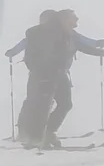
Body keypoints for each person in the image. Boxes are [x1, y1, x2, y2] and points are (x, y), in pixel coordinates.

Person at [10, 9, 100, 147]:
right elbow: (31, 47)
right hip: (44, 74)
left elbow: (84, 46)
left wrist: (101, 51)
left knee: (65, 104)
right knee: (40, 105)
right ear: (64, 18)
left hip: (60, 74)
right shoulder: (46, 33)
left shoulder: (69, 34)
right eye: (74, 18)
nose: (77, 21)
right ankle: (34, 137)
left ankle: (48, 132)